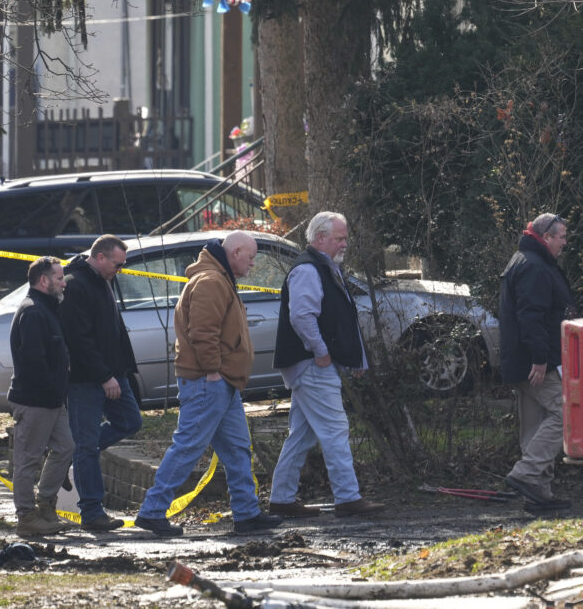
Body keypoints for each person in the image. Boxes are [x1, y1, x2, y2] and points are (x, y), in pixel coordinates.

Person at [133, 232, 283, 537]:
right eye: (251, 257)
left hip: (219, 382)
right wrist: (213, 370)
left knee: (238, 449)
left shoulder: (217, 279)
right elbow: (203, 331)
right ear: (236, 251)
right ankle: (151, 511)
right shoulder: (212, 282)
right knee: (189, 446)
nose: (253, 264)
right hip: (209, 381)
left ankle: (247, 513)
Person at [267, 211, 384, 518]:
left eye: (345, 237)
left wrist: (349, 358)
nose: (345, 244)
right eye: (339, 238)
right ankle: (347, 497)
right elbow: (302, 317)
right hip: (313, 365)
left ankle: (281, 498)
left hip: (308, 365)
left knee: (303, 435)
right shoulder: (309, 270)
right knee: (335, 429)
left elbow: (329, 318)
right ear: (320, 238)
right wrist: (321, 352)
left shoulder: (319, 266)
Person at [61, 234, 143, 531]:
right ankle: (92, 512)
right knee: (86, 446)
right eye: (117, 265)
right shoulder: (76, 284)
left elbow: (115, 330)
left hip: (113, 372)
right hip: (85, 379)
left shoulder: (104, 281)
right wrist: (104, 375)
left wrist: (124, 371)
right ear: (99, 258)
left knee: (130, 422)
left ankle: (75, 452)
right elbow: (79, 340)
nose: (119, 270)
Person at [499, 212, 575, 510]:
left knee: (534, 424)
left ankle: (539, 495)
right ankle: (527, 474)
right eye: (561, 237)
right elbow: (532, 316)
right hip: (535, 362)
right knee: (565, 413)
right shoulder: (536, 267)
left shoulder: (523, 260)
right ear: (546, 237)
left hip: (519, 360)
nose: (564, 243)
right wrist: (541, 359)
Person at [8, 256, 74, 538]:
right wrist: (51, 391)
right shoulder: (33, 312)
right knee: (28, 459)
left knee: (66, 447)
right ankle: (26, 517)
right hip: (35, 401)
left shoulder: (49, 309)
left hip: (52, 400)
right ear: (44, 280)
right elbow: (34, 362)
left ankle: (45, 504)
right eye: (59, 277)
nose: (63, 282)